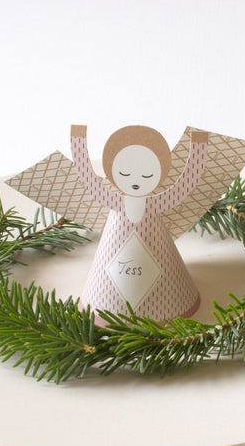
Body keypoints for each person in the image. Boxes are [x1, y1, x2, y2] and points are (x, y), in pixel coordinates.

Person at [70, 124, 208, 322]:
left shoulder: (157, 202)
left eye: (147, 176)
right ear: (112, 171)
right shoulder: (115, 203)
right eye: (125, 175)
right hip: (102, 302)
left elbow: (185, 183)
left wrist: (198, 148)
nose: (136, 181)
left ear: (160, 174)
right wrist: (78, 141)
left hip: (171, 299)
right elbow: (87, 176)